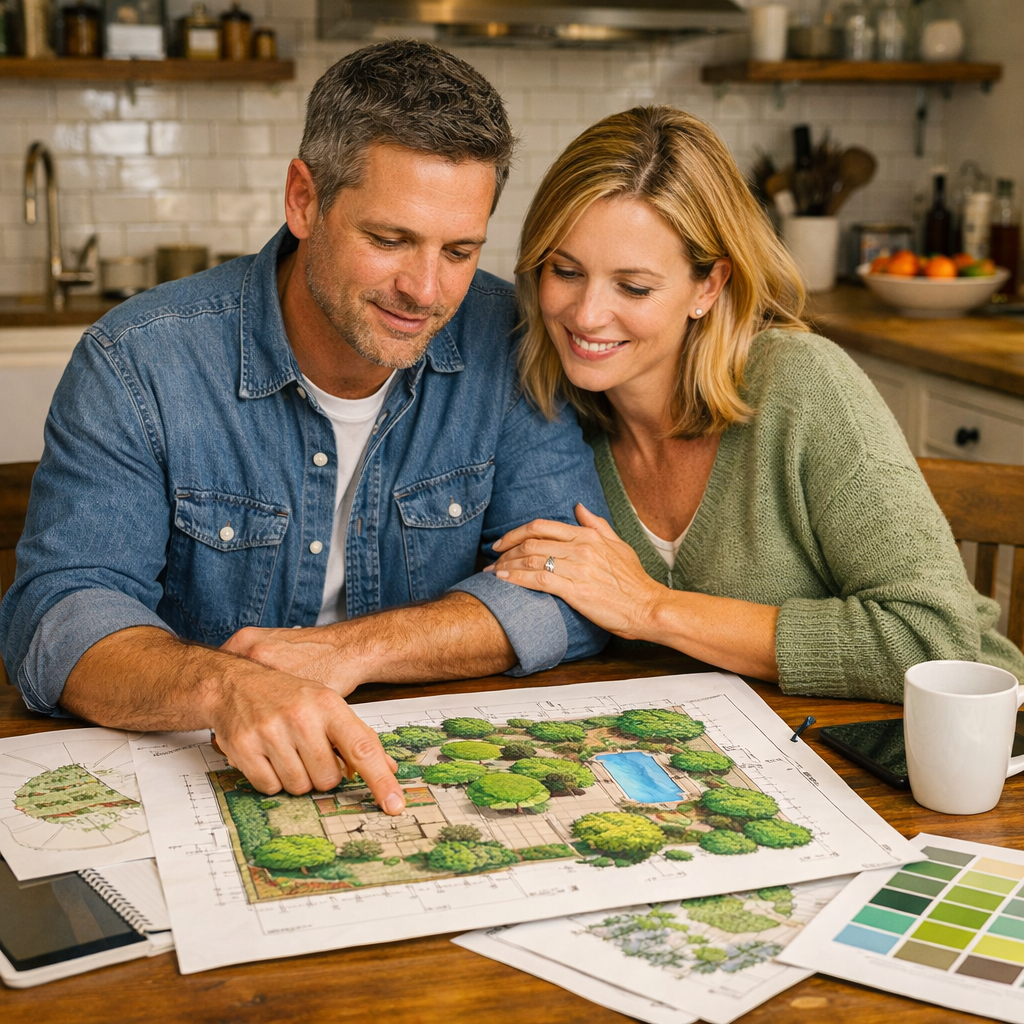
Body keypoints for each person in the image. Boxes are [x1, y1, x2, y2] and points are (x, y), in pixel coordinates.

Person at [0, 41, 609, 812]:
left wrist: (348, 651)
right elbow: (58, 615)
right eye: (389, 240)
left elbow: (578, 591)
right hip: (206, 774)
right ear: (303, 199)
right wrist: (224, 687)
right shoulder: (138, 361)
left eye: (459, 250)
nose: (425, 291)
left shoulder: (512, 341)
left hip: (430, 773)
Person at [486, 105, 1024, 703]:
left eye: (633, 286)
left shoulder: (802, 387)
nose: (586, 315)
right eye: (565, 271)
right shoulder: (548, 418)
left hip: (954, 758)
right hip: (744, 758)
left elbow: (935, 641)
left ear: (708, 286)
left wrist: (652, 607)